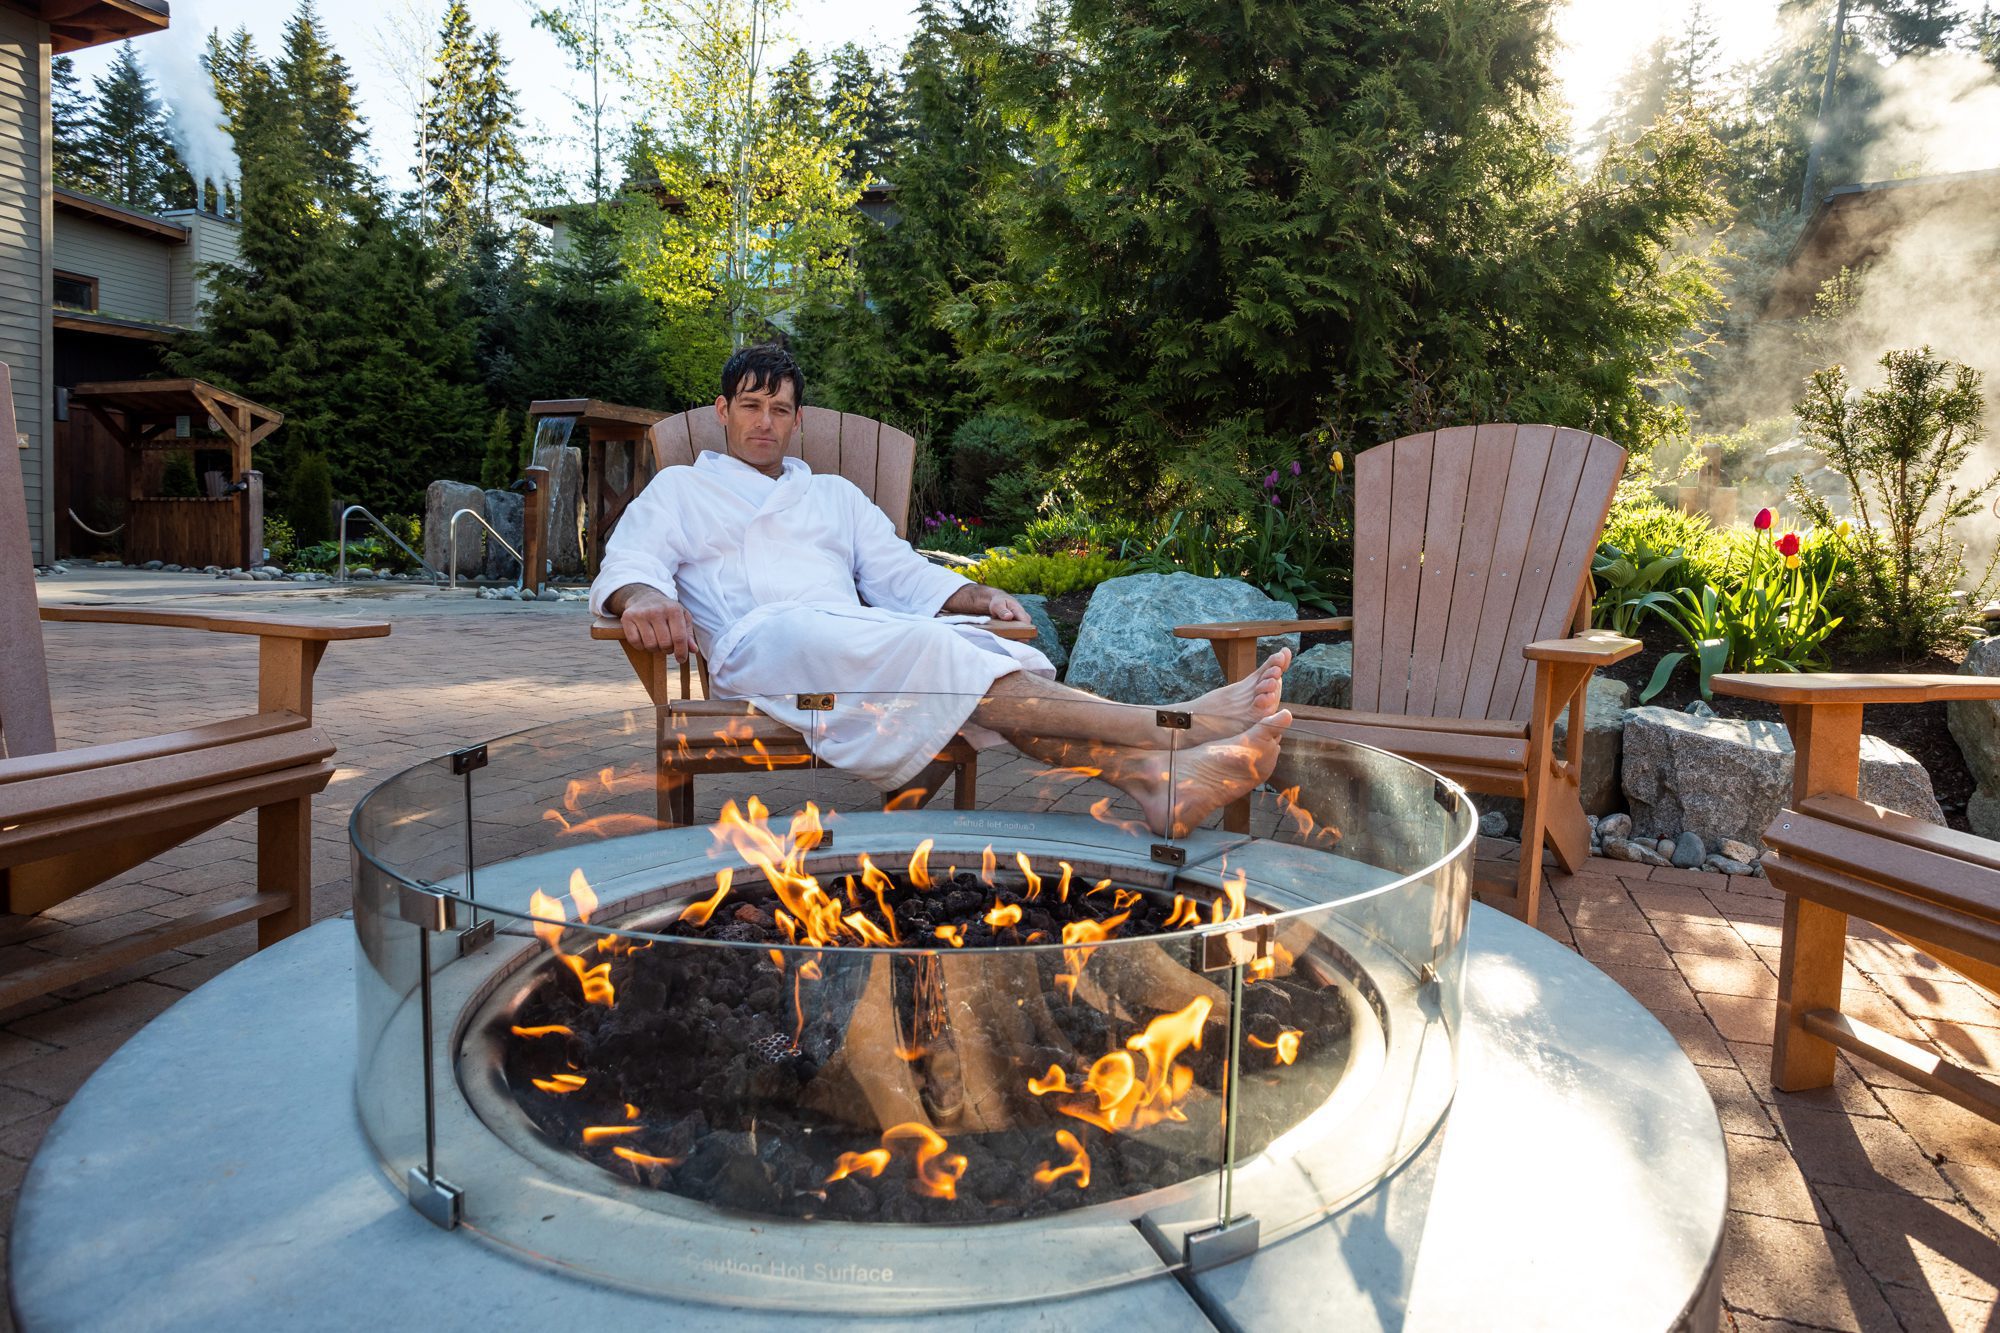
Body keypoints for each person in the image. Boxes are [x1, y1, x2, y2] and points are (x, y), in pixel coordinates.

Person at [592, 344, 1292, 837]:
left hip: (855, 650)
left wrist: (976, 596)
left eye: (779, 408)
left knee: (967, 654)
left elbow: (898, 573)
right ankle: (1172, 726)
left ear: (798, 419)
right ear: (722, 410)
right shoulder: (684, 487)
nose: (765, 421)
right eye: (751, 405)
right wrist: (643, 598)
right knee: (940, 652)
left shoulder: (831, 494)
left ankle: (1152, 782)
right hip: (765, 651)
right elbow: (631, 559)